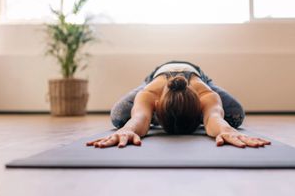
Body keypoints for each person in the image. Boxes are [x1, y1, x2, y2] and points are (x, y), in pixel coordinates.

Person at [86, 61, 271, 148]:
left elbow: (214, 117)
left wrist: (226, 130)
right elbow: (139, 118)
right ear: (155, 106)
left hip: (198, 75)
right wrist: (128, 129)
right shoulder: (150, 93)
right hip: (156, 76)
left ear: (200, 106)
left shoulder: (205, 93)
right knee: (120, 117)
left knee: (235, 115)